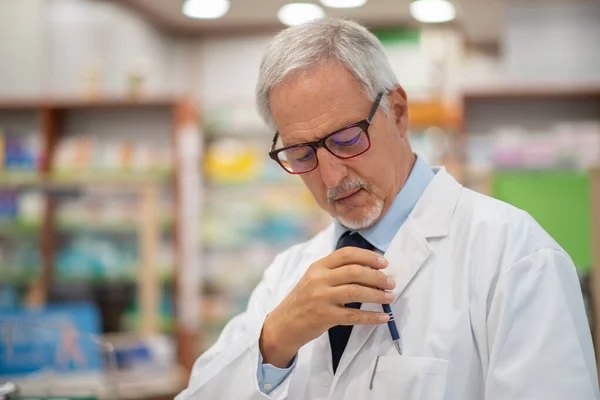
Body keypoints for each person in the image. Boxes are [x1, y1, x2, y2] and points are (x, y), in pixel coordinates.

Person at [176, 18, 599, 400]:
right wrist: (275, 339)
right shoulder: (287, 275)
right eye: (301, 153)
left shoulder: (512, 254)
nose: (330, 177)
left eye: (345, 139)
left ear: (397, 112)